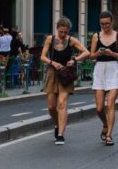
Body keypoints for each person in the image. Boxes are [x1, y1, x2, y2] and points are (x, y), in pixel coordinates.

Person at [41, 17, 90, 145]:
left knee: (62, 103)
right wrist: (52, 62)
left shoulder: (72, 40)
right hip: (52, 72)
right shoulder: (50, 39)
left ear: (68, 31)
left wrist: (74, 60)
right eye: (61, 31)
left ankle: (61, 134)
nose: (63, 34)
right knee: (51, 107)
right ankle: (58, 124)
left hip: (66, 74)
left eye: (65, 32)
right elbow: (42, 56)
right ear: (57, 28)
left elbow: (86, 52)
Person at [90, 11, 118, 146]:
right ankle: (105, 124)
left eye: (107, 23)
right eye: (102, 24)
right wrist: (97, 53)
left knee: (110, 103)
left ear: (112, 22)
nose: (105, 26)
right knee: (99, 108)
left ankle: (109, 135)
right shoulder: (96, 36)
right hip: (99, 70)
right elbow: (91, 55)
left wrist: (112, 53)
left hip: (113, 69)